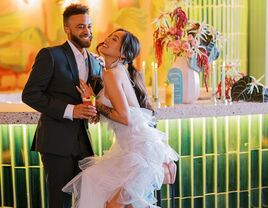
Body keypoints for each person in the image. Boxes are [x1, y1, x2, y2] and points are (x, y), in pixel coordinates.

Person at [62, 28, 179, 208]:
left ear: (123, 54)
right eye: (110, 35)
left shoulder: (112, 73)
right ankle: (162, 170)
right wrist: (93, 107)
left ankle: (161, 170)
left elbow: (124, 118)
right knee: (95, 181)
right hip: (130, 149)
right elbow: (116, 113)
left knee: (113, 203)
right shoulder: (114, 71)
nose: (107, 39)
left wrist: (95, 102)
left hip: (139, 153)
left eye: (114, 39)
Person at [22, 4, 103, 208]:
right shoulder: (50, 55)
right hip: (56, 143)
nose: (87, 31)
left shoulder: (94, 62)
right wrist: (71, 110)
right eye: (80, 27)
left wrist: (94, 110)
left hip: (84, 143)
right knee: (60, 203)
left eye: (89, 26)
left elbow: (95, 96)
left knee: (87, 201)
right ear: (67, 29)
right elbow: (30, 94)